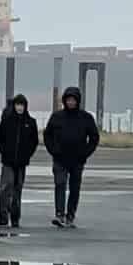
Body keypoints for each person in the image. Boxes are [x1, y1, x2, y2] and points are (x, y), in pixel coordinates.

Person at [43, 85, 100, 227]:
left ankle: (70, 215)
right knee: (60, 184)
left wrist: (85, 153)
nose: (70, 102)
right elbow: (47, 135)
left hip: (77, 160)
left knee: (74, 189)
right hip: (60, 159)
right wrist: (53, 150)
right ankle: (59, 214)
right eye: (68, 100)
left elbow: (94, 138)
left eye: (73, 100)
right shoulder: (57, 117)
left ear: (77, 101)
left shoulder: (86, 118)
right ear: (64, 101)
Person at [0, 93, 39, 229]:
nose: (20, 107)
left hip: (21, 163)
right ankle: (3, 217)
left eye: (22, 105)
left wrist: (27, 155)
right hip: (8, 162)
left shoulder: (30, 123)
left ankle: (15, 218)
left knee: (17, 190)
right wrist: (5, 153)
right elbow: (0, 140)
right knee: (5, 188)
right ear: (14, 106)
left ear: (25, 107)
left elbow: (34, 142)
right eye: (18, 104)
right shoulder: (7, 121)